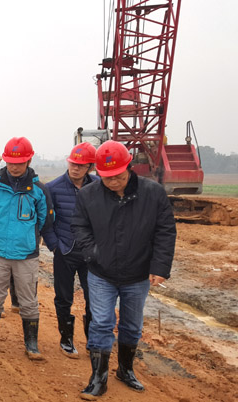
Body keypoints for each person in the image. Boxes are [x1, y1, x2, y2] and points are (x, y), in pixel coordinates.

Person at [72, 140, 176, 400]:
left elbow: (165, 231)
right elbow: (80, 227)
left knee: (131, 325)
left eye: (118, 176)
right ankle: (98, 378)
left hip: (138, 273)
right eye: (107, 177)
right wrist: (93, 252)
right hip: (101, 272)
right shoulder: (88, 195)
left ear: (129, 168)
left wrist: (160, 267)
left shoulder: (153, 193)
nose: (113, 182)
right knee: (102, 323)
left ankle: (126, 370)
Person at [0, 137, 53, 360]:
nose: (14, 166)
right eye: (10, 162)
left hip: (26, 255)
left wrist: (27, 236)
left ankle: (31, 343)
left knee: (28, 300)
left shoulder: (38, 189)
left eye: (19, 163)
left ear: (29, 161)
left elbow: (44, 220)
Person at [42, 142, 99, 358]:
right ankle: (66, 338)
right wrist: (55, 245)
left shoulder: (98, 186)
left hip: (91, 253)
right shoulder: (53, 188)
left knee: (94, 296)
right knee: (64, 297)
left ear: (90, 167)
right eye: (73, 163)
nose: (75, 168)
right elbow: (47, 221)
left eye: (81, 165)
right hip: (65, 250)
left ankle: (93, 340)